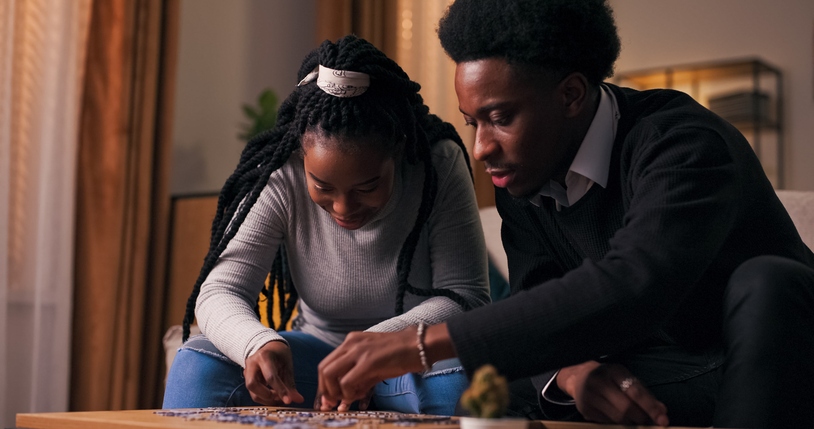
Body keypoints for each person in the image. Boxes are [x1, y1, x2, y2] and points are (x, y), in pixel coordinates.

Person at [314, 1, 814, 428]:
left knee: (768, 280)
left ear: (571, 94)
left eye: (499, 118)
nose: (481, 149)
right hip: (664, 378)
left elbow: (634, 283)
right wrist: (574, 372)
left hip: (774, 361)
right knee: (486, 391)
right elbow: (537, 293)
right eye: (471, 123)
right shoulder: (524, 175)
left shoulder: (682, 143)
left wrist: (421, 343)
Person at [162, 35, 491, 416]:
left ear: (399, 151)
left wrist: (379, 343)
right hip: (316, 363)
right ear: (302, 156)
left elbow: (466, 297)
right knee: (196, 365)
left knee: (461, 380)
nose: (343, 206)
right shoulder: (280, 172)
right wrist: (256, 343)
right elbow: (219, 289)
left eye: (367, 187)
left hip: (411, 361)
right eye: (322, 187)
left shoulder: (436, 163)